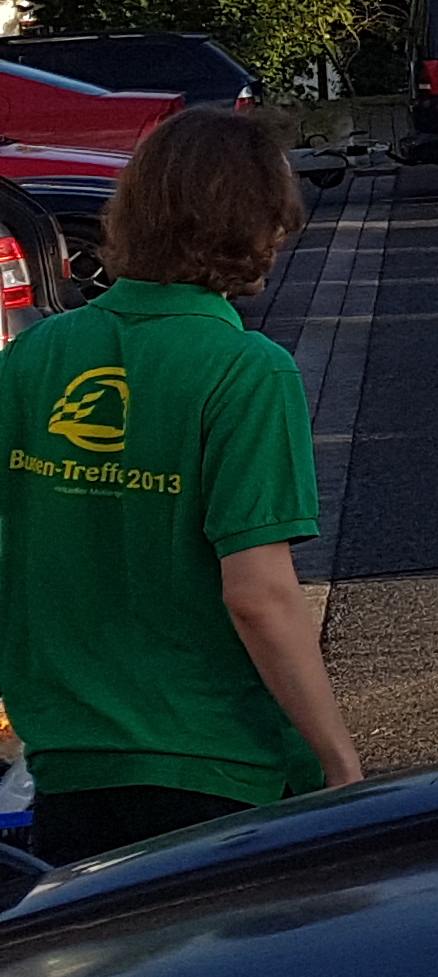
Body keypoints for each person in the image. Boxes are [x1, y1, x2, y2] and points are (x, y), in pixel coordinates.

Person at [0, 105, 360, 860]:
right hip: (218, 762)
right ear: (256, 226)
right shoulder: (246, 372)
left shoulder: (33, 357)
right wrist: (339, 761)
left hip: (67, 759)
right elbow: (259, 595)